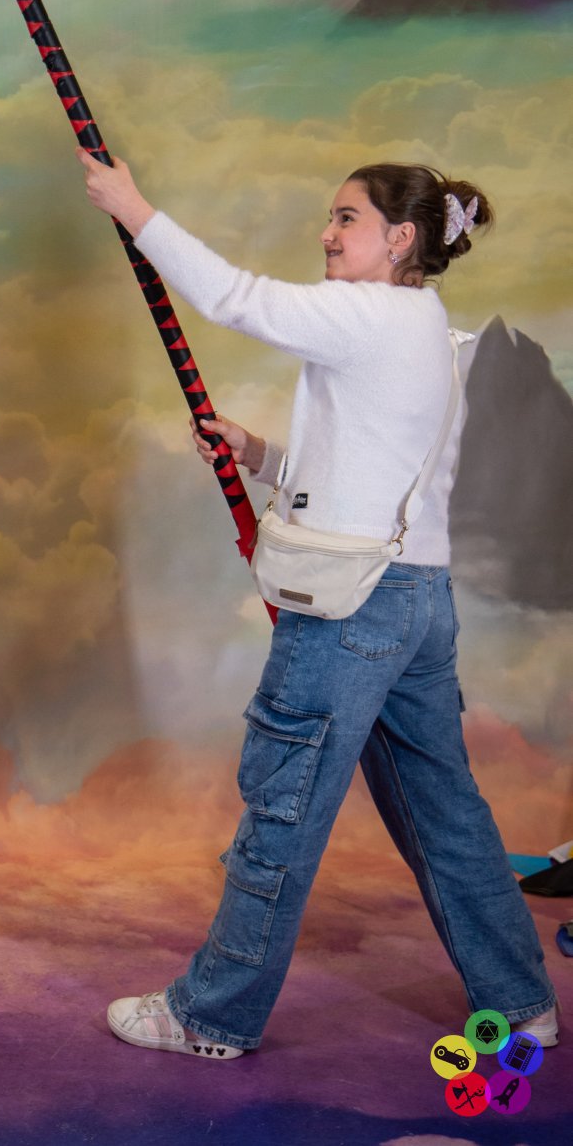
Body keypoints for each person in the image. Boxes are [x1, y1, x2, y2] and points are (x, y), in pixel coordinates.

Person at [79, 154, 558, 1059]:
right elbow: (372, 464)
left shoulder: (367, 315)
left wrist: (133, 207)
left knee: (282, 811)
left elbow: (233, 298)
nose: (327, 234)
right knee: (446, 811)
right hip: (417, 601)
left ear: (400, 238)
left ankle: (212, 1015)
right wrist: (259, 451)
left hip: (350, 613)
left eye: (346, 219)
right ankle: (521, 1000)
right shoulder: (428, 328)